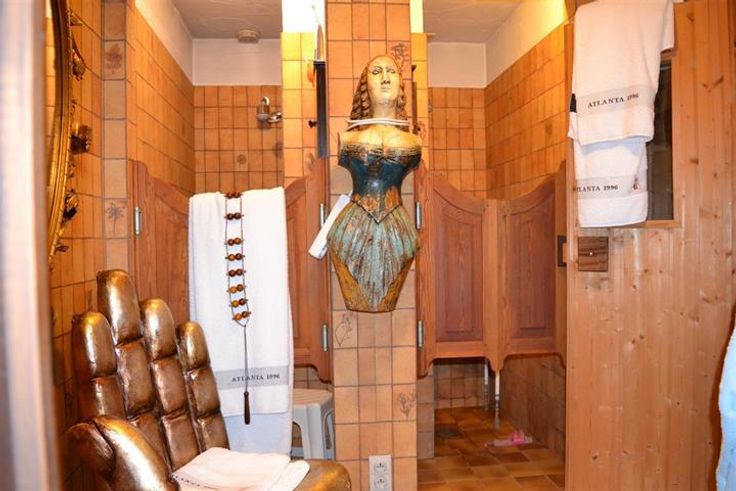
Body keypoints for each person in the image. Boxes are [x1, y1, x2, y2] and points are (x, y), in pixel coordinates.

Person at [326, 54, 422, 313]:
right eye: (377, 72)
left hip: (398, 227)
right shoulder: (347, 138)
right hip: (352, 227)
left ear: (401, 86)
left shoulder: (415, 142)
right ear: (364, 86)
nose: (385, 78)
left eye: (391, 71)